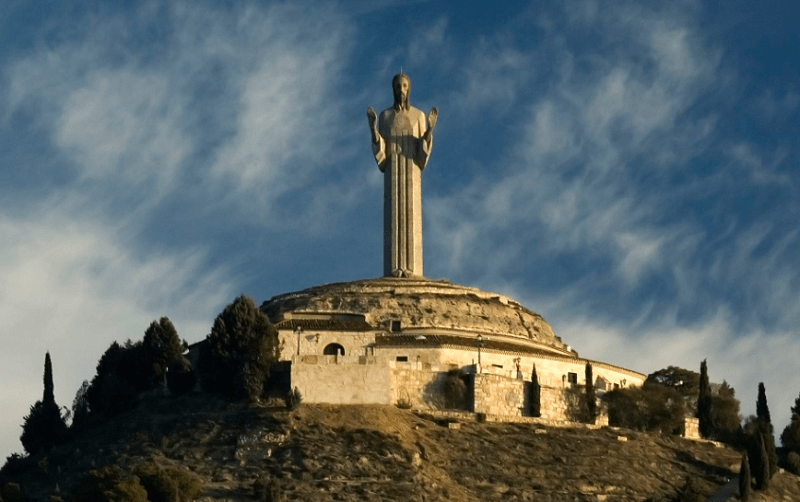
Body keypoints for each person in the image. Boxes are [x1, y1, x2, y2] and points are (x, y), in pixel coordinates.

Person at [367, 73, 437, 277]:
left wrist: (430, 130)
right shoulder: (386, 117)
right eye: (398, 86)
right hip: (393, 174)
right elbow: (382, 150)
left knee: (410, 215)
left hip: (411, 171)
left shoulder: (418, 116)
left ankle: (411, 270)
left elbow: (422, 152)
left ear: (409, 88)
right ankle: (395, 268)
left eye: (405, 85)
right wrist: (373, 128)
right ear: (393, 89)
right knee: (394, 218)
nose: (401, 89)